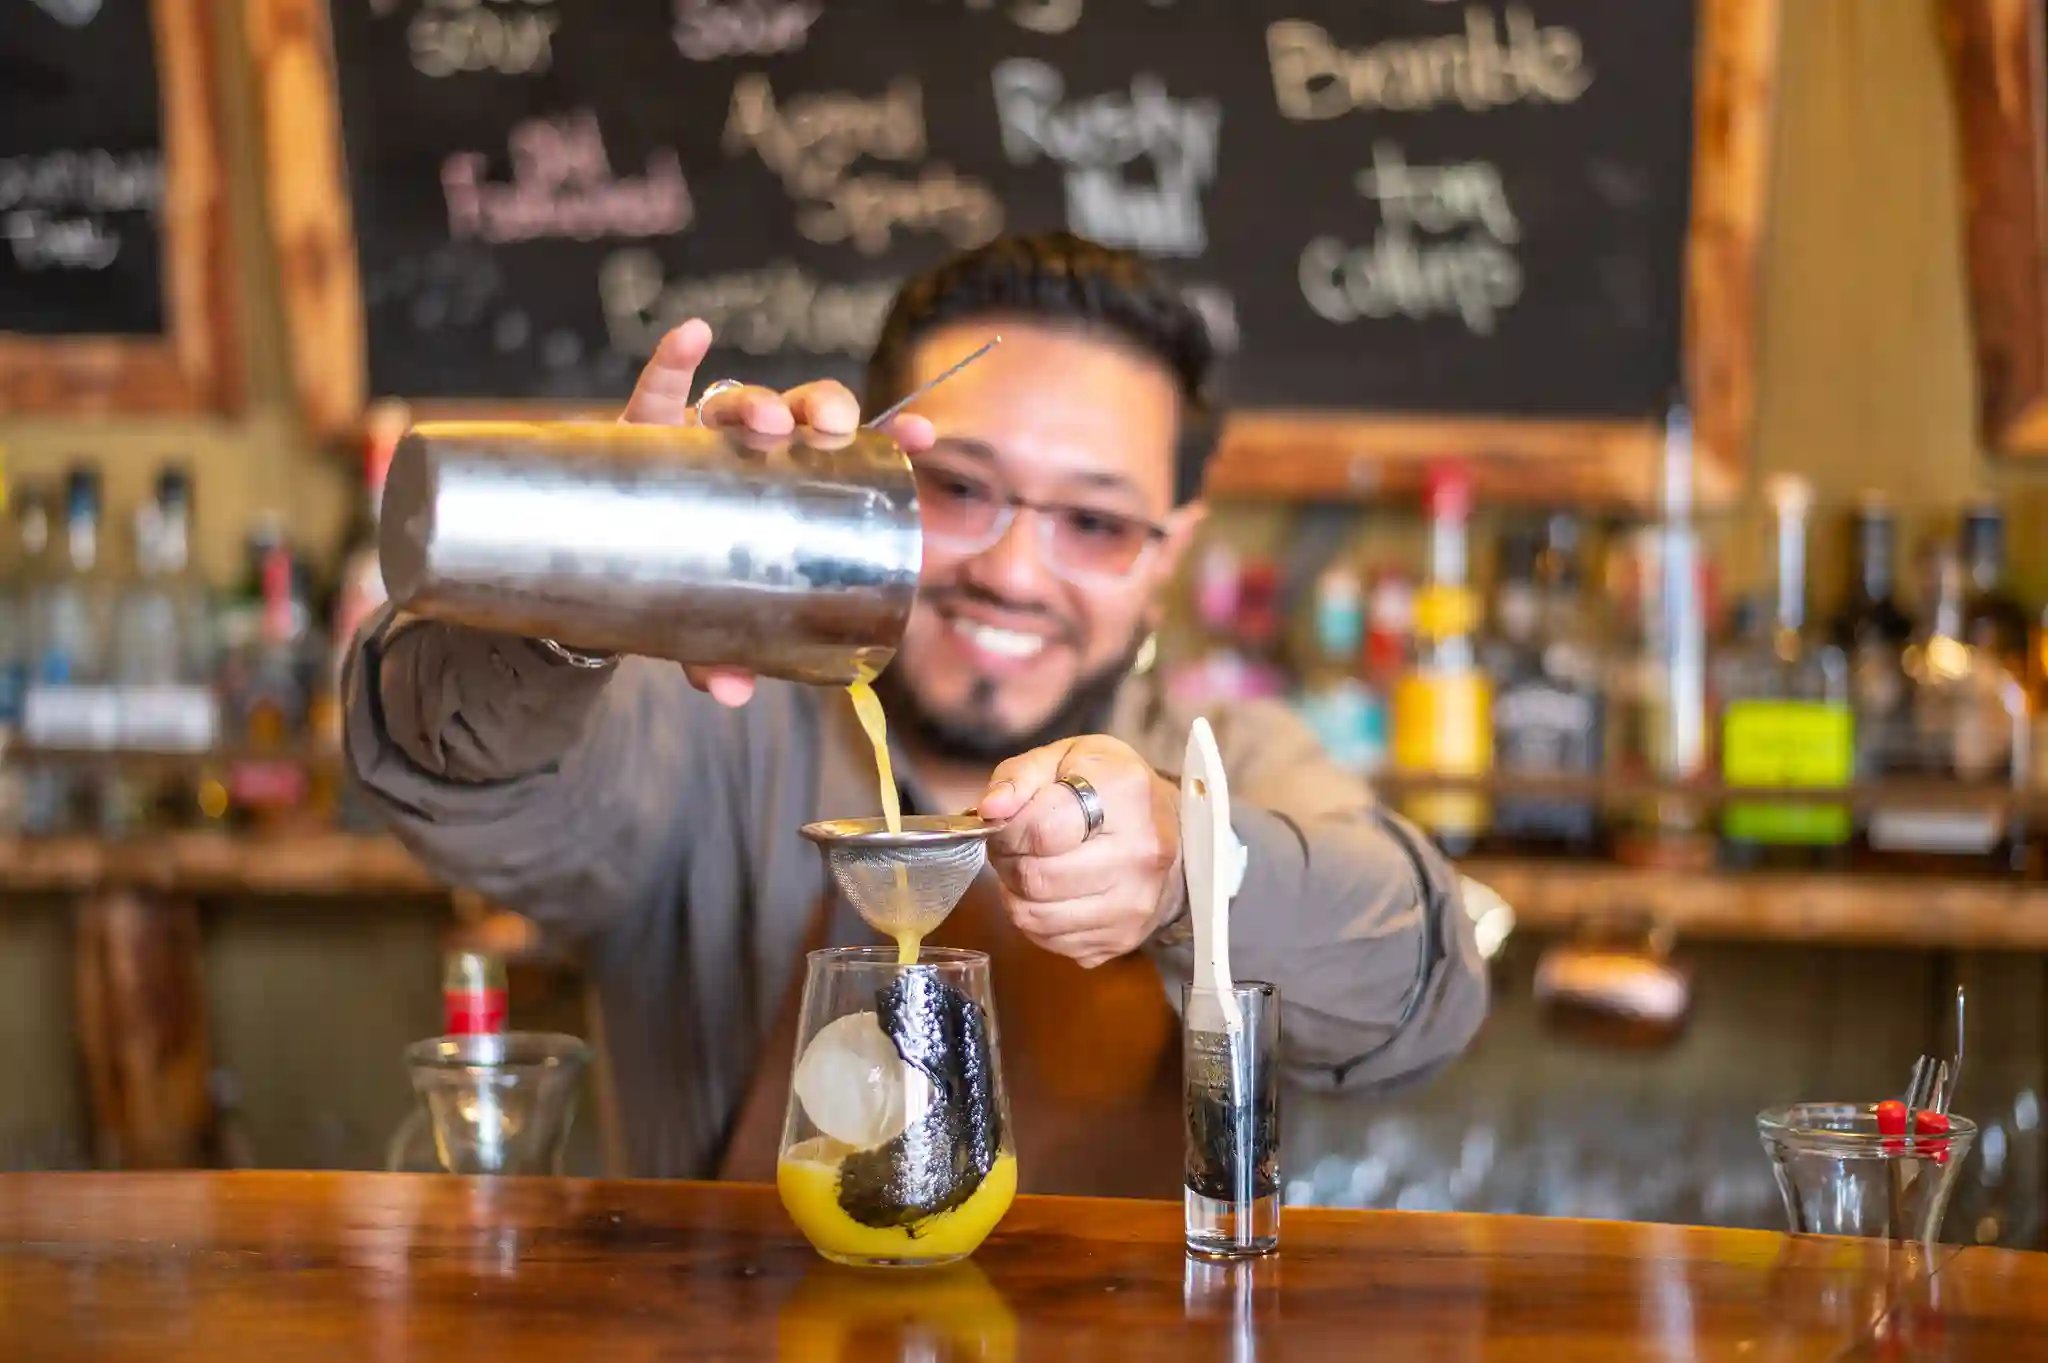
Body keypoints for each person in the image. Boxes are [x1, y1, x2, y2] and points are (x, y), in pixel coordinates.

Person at [343, 231, 1487, 1190]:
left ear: (1167, 553)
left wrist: (1196, 869)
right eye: (958, 488)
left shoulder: (1222, 757)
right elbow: (451, 767)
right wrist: (593, 577)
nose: (1012, 571)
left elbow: (1421, 990)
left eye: (1092, 520)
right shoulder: (702, 726)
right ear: (874, 467)